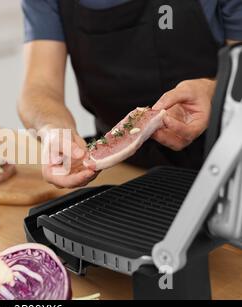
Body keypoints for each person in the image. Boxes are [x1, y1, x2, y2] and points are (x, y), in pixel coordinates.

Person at [18, 0, 242, 188]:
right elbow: (39, 87)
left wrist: (214, 92)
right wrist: (52, 131)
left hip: (226, 170)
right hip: (118, 176)